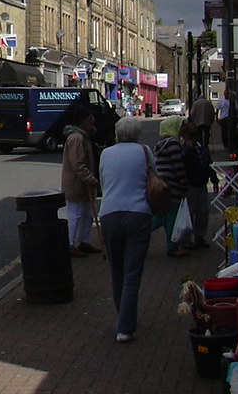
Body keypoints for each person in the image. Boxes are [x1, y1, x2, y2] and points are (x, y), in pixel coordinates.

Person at [98, 116, 153, 344]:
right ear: (137, 133)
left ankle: (123, 316)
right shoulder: (144, 151)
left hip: (109, 213)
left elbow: (103, 183)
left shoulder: (105, 153)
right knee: (132, 273)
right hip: (138, 214)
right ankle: (125, 327)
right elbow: (153, 177)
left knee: (117, 271)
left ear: (117, 133)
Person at [60, 103, 101, 257]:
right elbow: (78, 164)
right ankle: (70, 244)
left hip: (85, 185)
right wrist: (91, 179)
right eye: (90, 118)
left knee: (87, 214)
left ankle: (83, 241)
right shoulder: (76, 138)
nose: (93, 121)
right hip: (77, 185)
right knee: (75, 215)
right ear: (82, 120)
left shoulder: (84, 136)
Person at [153, 116, 191, 257]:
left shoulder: (161, 144)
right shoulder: (173, 144)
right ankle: (172, 246)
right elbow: (178, 167)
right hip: (173, 186)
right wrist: (184, 186)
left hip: (163, 184)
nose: (183, 128)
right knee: (171, 217)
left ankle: (135, 235)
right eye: (181, 125)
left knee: (160, 216)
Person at [182, 121, 218, 249]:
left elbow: (208, 163)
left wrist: (214, 179)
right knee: (190, 212)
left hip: (201, 183)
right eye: (191, 134)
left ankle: (199, 236)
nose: (195, 137)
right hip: (190, 184)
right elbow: (183, 164)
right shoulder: (185, 149)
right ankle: (187, 239)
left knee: (203, 212)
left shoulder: (201, 147)